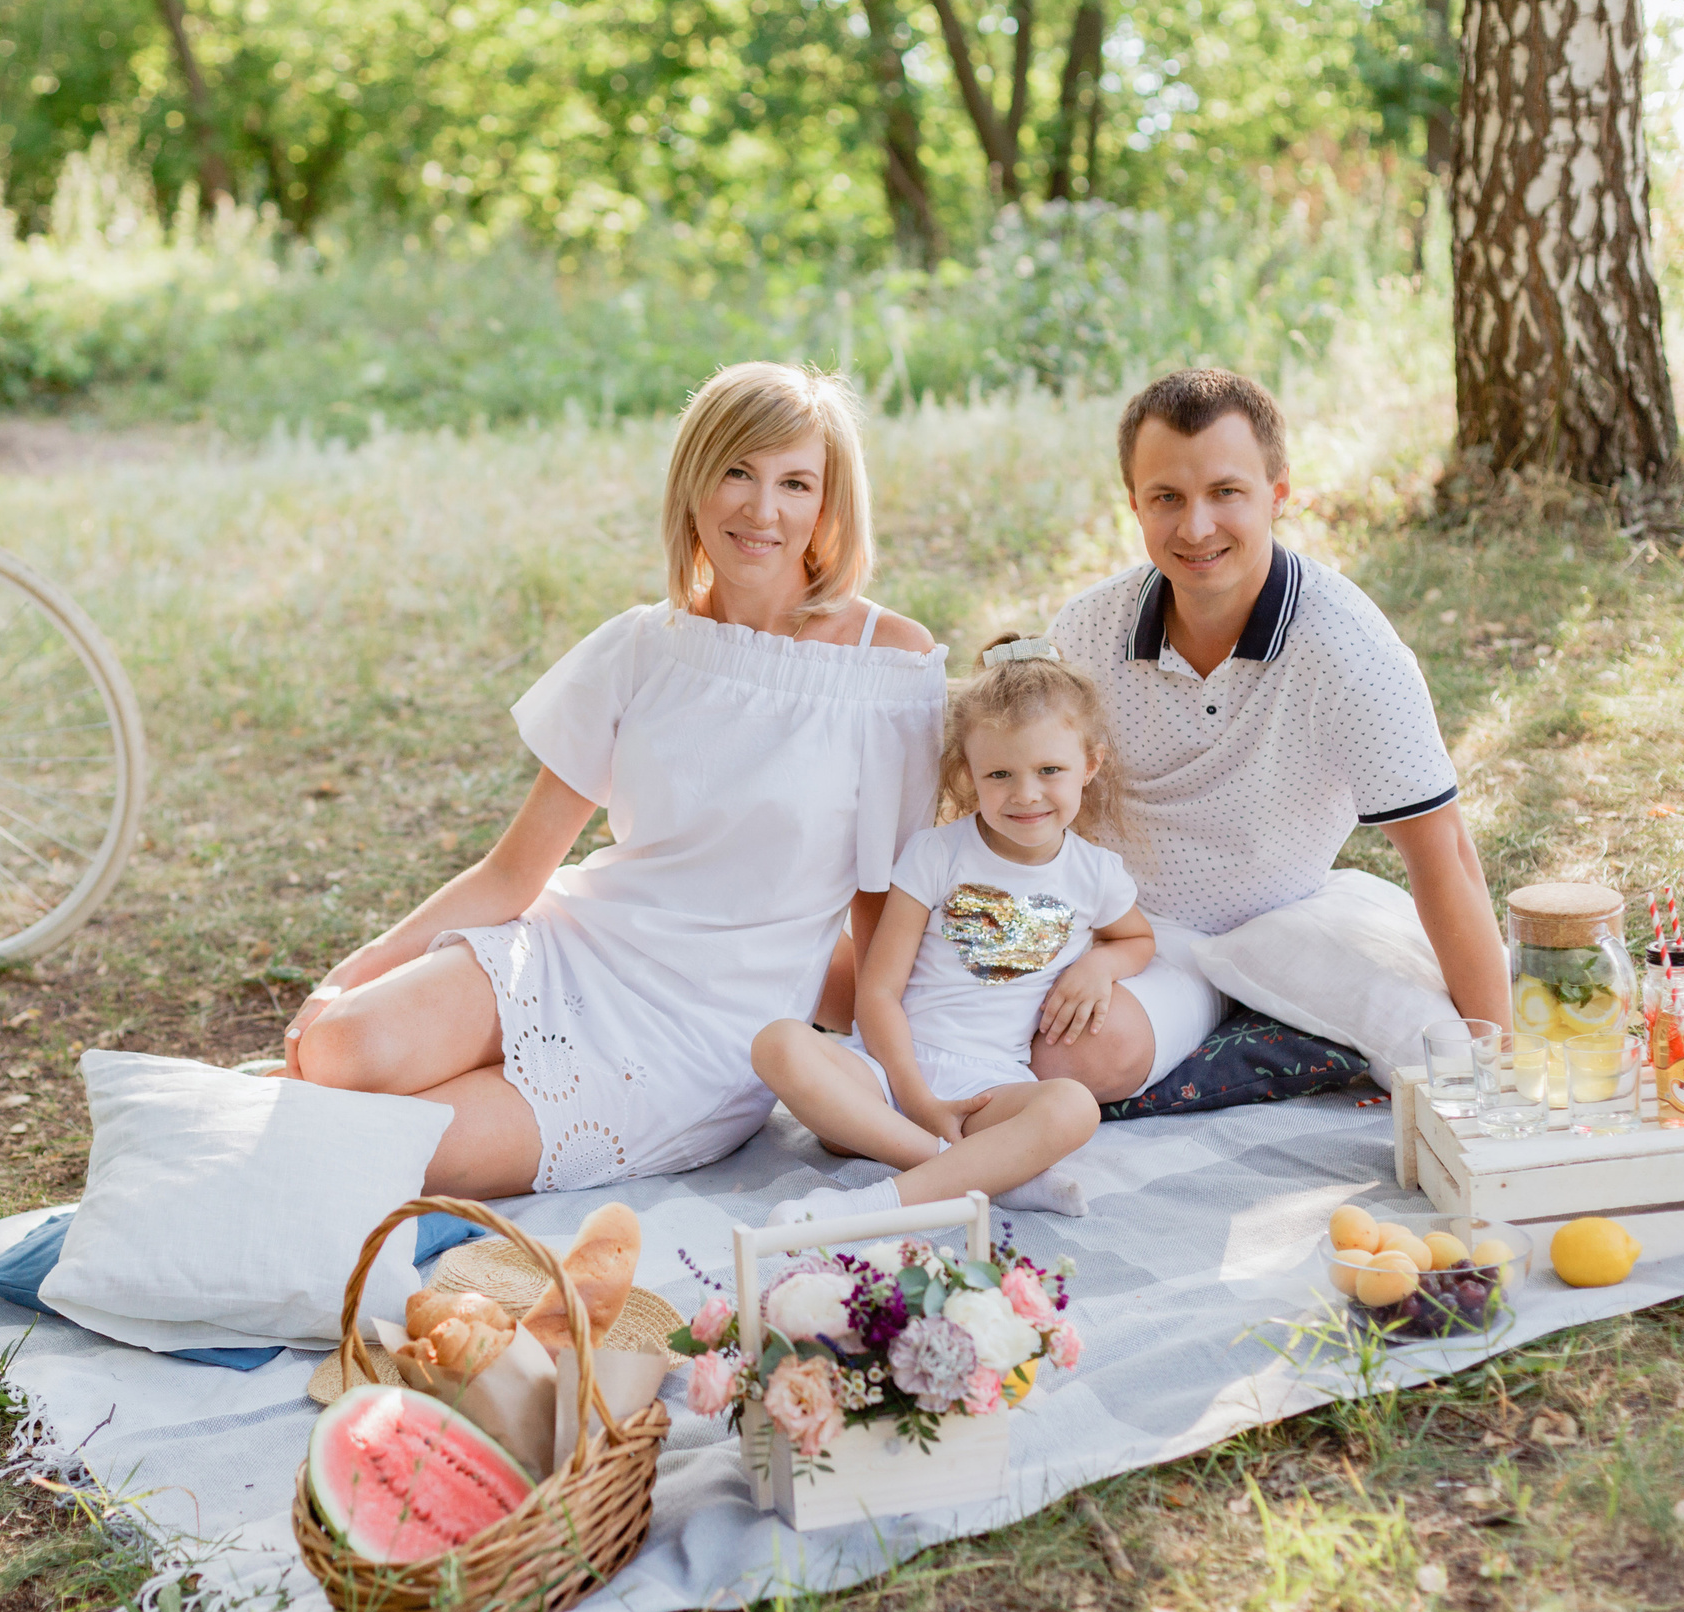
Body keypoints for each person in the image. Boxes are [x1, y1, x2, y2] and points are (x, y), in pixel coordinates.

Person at [284, 363, 946, 1197]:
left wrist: (901, 1079)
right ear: (695, 482)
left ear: (827, 504)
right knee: (337, 1049)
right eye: (737, 471)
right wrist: (351, 971)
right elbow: (512, 872)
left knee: (396, 1148)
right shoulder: (642, 645)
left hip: (707, 1033)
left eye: (795, 483)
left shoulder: (887, 665)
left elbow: (883, 906)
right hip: (581, 949)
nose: (761, 509)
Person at [1028, 368, 1508, 1102]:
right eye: (1167, 498)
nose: (1195, 527)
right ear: (1134, 503)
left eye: (1226, 492)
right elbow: (1027, 801)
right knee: (987, 1030)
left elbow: (1444, 857)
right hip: (1121, 924)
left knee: (1077, 1061)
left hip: (1281, 919)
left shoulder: (1350, 651)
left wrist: (1494, 1065)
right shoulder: (1086, 631)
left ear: (1278, 495)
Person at [752, 636, 1151, 1226]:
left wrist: (1099, 964)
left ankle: (872, 1205)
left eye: (1050, 770)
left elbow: (1136, 939)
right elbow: (878, 991)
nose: (1026, 794)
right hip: (887, 1072)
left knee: (1072, 1107)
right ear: (969, 773)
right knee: (778, 1042)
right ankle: (978, 1173)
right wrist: (914, 1097)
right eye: (1000, 773)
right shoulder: (936, 854)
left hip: (991, 1088)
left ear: (1089, 764)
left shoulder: (1094, 874)